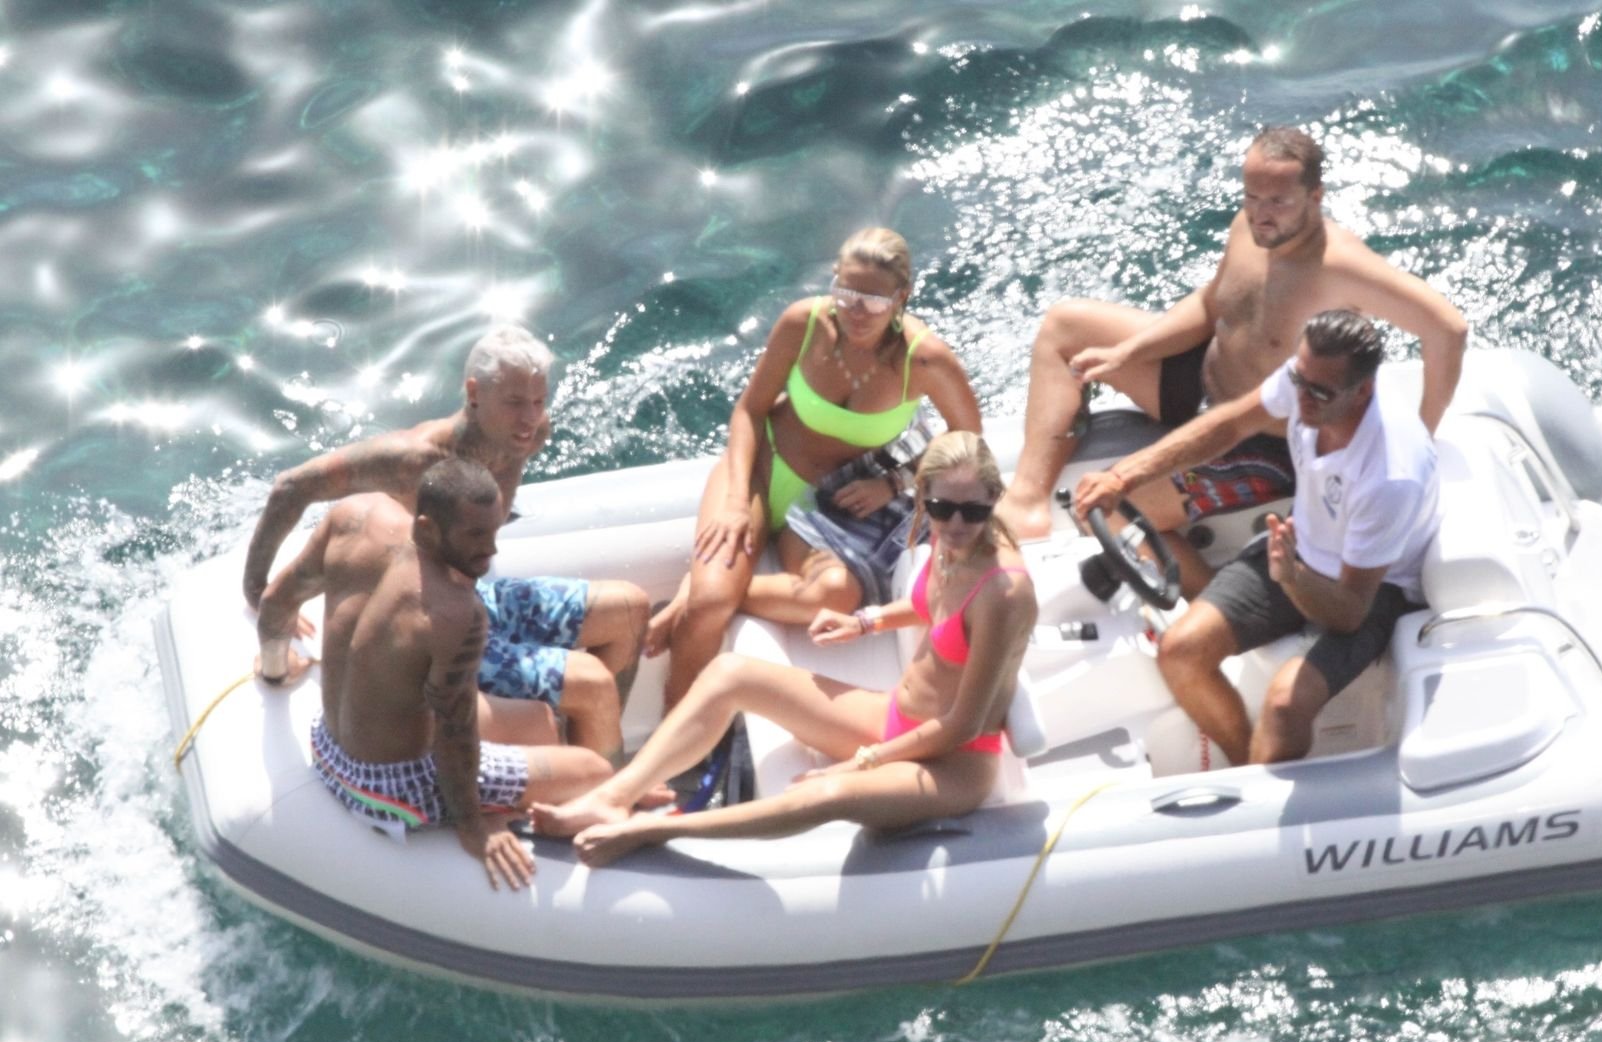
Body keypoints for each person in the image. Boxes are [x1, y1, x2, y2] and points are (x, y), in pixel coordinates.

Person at [532, 433, 1036, 865]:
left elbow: (962, 725)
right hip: (897, 717)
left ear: (994, 498)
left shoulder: (1004, 593)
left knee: (825, 792)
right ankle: (613, 796)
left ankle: (652, 830)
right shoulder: (953, 542)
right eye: (943, 509)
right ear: (924, 496)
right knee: (731, 674)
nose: (956, 523)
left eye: (974, 510)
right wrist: (866, 621)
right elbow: (933, 605)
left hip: (951, 763)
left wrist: (863, 763)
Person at [999, 124, 1467, 544]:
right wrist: (1126, 353)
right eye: (1252, 197)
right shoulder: (1250, 228)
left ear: (1315, 196)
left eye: (1278, 202)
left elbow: (1448, 329)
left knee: (1100, 508)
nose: (1261, 214)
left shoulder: (1341, 266)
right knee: (1065, 325)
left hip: (1258, 438)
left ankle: (1199, 592)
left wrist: (1423, 436)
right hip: (1203, 383)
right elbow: (1211, 305)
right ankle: (1026, 501)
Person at [241, 325, 648, 762]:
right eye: (514, 402)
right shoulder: (415, 460)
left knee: (631, 609)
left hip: (479, 600)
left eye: (538, 400)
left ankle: (586, 750)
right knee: (590, 681)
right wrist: (257, 587)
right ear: (474, 393)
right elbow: (291, 487)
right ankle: (603, 780)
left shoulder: (528, 434)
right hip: (433, 635)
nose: (530, 418)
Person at [645, 227, 985, 711]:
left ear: (901, 296)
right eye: (845, 293)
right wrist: (737, 500)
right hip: (763, 472)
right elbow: (749, 410)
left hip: (830, 507)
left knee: (833, 593)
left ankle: (699, 588)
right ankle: (675, 721)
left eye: (873, 300)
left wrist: (896, 482)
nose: (855, 311)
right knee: (708, 609)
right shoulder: (803, 324)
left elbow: (968, 440)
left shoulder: (924, 359)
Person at [1086, 311, 1439, 766]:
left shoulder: (1389, 475)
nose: (1302, 398)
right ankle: (1246, 771)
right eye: (1298, 380)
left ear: (1363, 391)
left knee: (1285, 707)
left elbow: (1350, 613)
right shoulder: (1309, 379)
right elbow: (1231, 424)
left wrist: (1291, 577)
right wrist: (1125, 476)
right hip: (1300, 548)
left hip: (1375, 590)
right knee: (1180, 652)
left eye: (1319, 392)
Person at [255, 460, 614, 891]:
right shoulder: (455, 613)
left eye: (494, 531)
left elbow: (276, 601)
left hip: (327, 745)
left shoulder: (354, 516)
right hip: (389, 787)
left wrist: (275, 671)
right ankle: (535, 815)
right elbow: (454, 735)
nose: (491, 551)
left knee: (539, 719)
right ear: (426, 528)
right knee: (595, 771)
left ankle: (523, 801)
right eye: (475, 536)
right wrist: (474, 825)